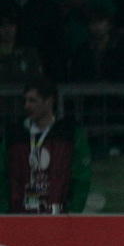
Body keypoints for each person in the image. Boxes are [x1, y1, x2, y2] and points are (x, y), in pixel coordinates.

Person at [0, 77, 91, 214]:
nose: (26, 106)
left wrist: (73, 212)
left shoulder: (69, 134)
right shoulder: (14, 136)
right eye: (25, 101)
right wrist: (4, 214)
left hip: (58, 216)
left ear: (49, 101)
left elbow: (81, 178)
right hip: (18, 217)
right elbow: (2, 176)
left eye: (32, 100)